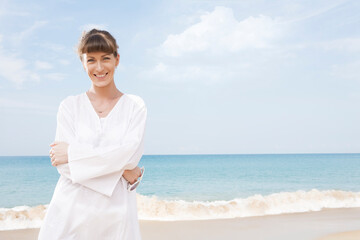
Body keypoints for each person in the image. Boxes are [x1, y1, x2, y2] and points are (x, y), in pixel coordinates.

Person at [38, 29, 147, 240]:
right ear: (82, 63)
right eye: (91, 60)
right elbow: (63, 165)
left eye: (105, 58)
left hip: (116, 214)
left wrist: (73, 152)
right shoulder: (69, 106)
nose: (99, 68)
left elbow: (130, 156)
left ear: (117, 59)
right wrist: (123, 172)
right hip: (69, 213)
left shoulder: (135, 106)